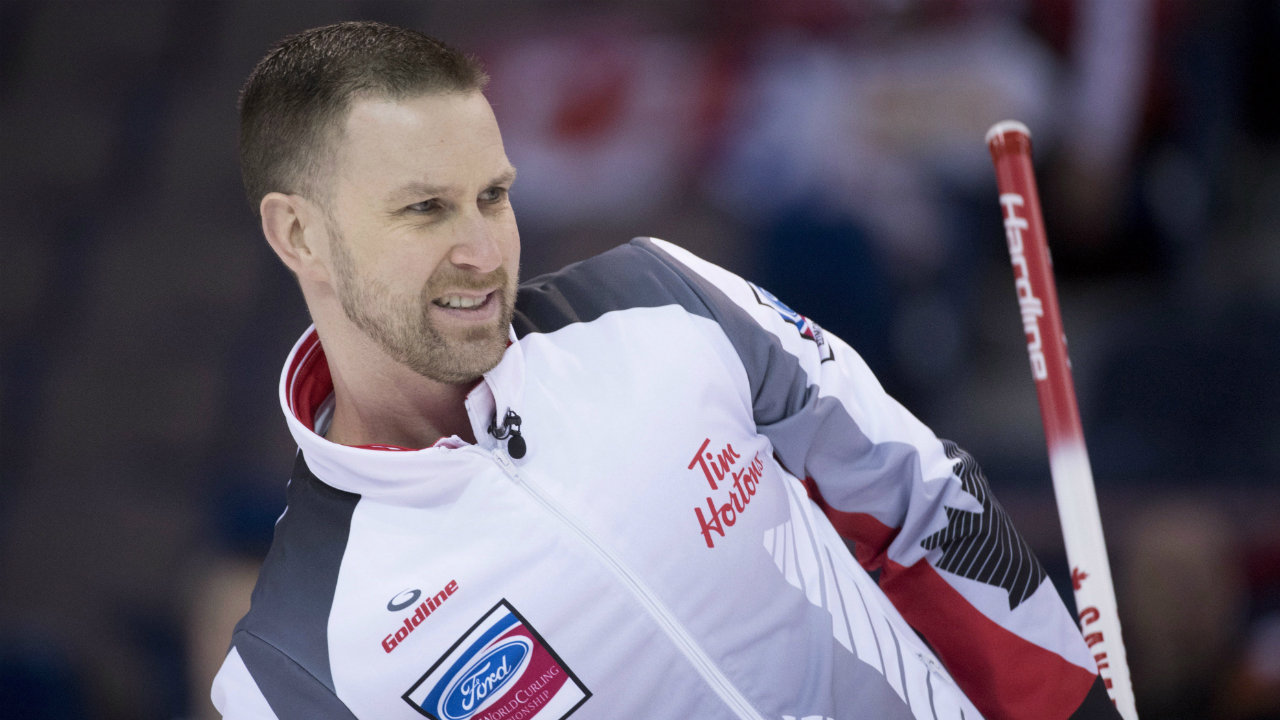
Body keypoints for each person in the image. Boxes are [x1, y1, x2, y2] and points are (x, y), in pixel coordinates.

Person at [211, 21, 1122, 720]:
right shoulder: (290, 666)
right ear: (301, 235)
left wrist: (1064, 707)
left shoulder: (661, 296)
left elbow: (917, 498)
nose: (482, 251)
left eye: (494, 195)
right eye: (423, 210)